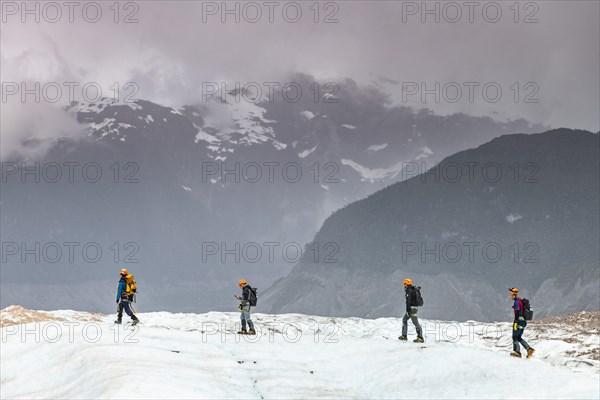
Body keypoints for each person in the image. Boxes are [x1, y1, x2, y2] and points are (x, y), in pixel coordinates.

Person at [509, 287, 534, 358]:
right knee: (518, 337)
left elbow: (517, 312)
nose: (510, 295)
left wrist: (516, 322)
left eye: (510, 294)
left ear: (513, 294)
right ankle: (529, 349)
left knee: (514, 337)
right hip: (523, 321)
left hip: (519, 321)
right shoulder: (520, 301)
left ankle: (517, 352)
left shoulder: (517, 302)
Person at [398, 278, 424, 343]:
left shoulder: (408, 290)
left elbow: (408, 300)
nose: (404, 285)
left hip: (412, 309)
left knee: (415, 323)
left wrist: (408, 309)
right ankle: (404, 335)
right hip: (414, 308)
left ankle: (420, 337)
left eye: (404, 284)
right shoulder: (413, 289)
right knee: (404, 320)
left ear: (406, 284)